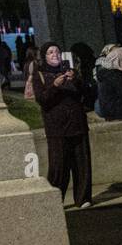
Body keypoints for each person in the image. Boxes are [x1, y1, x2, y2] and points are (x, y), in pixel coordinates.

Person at [31, 41, 93, 208]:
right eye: (50, 52)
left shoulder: (70, 71)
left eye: (57, 52)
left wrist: (77, 81)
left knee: (82, 164)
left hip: (77, 124)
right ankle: (54, 201)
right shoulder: (40, 75)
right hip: (57, 128)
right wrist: (55, 86)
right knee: (59, 166)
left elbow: (85, 95)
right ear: (44, 56)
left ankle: (83, 198)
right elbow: (42, 99)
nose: (55, 55)